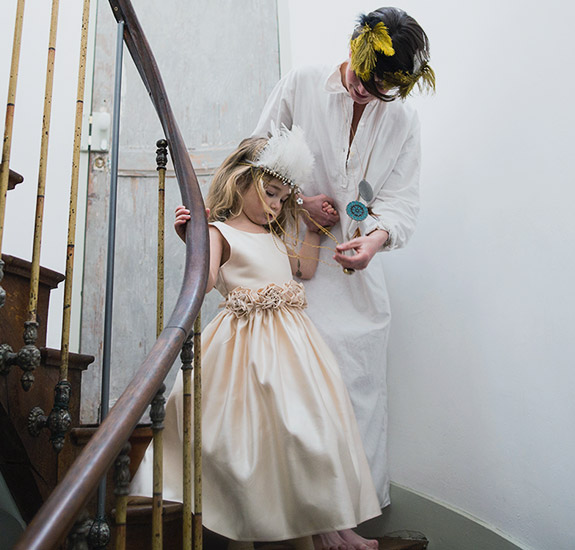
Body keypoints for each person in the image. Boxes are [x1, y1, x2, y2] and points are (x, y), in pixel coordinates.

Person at [130, 126, 381, 550]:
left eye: (283, 198)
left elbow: (304, 269)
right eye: (269, 193)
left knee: (315, 427)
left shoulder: (277, 235)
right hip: (246, 348)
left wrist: (313, 231)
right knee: (269, 434)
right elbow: (207, 281)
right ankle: (316, 528)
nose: (276, 205)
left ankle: (333, 522)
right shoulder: (219, 231)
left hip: (294, 347)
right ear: (240, 181)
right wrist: (193, 241)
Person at [252, 7, 435, 515]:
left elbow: (402, 201)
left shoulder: (403, 121)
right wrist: (298, 201)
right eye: (361, 77)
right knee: (297, 390)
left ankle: (352, 513)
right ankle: (297, 518)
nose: (363, 91)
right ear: (355, 47)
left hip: (356, 278)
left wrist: (376, 239)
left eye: (380, 89)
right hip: (293, 266)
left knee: (358, 392)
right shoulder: (302, 84)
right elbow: (257, 156)